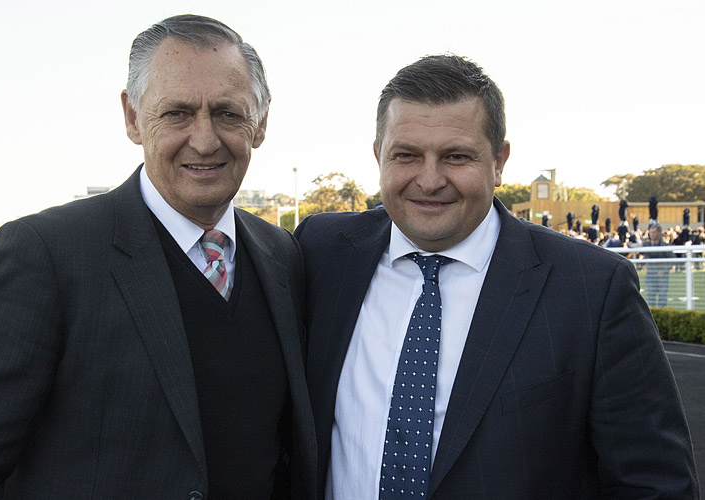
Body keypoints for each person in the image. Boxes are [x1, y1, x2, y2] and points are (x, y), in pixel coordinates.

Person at [295, 55, 699, 499]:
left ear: (500, 160)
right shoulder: (321, 250)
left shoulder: (590, 289)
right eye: (406, 155)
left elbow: (655, 483)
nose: (429, 181)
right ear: (378, 156)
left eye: (456, 157)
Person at [0, 15, 316, 500]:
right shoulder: (45, 254)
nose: (205, 140)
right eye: (177, 113)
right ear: (132, 118)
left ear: (262, 122)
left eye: (229, 113)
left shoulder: (282, 255)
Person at [643, 221, 675, 308]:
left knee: (662, 297)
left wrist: (664, 270)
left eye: (654, 232)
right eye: (650, 232)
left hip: (662, 277)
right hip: (650, 276)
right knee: (650, 298)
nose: (652, 234)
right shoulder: (646, 245)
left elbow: (673, 259)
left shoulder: (665, 246)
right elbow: (637, 247)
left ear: (659, 233)